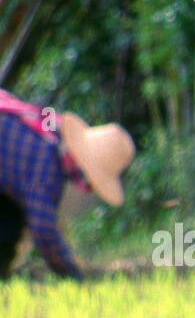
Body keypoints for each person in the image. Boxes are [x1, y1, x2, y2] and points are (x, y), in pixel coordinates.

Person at [0, 89, 134, 281]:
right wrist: (73, 276)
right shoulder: (47, 166)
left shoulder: (49, 131)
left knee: (8, 225)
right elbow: (44, 230)